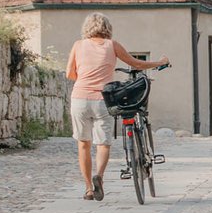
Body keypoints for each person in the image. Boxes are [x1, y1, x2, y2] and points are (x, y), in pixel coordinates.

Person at [66, 13, 167, 200]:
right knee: (103, 144)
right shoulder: (112, 45)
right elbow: (135, 63)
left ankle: (88, 188)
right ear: (107, 28)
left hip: (79, 99)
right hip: (102, 100)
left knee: (83, 144)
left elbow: (70, 74)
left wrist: (84, 78)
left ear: (86, 28)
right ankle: (100, 177)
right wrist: (160, 62)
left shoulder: (78, 46)